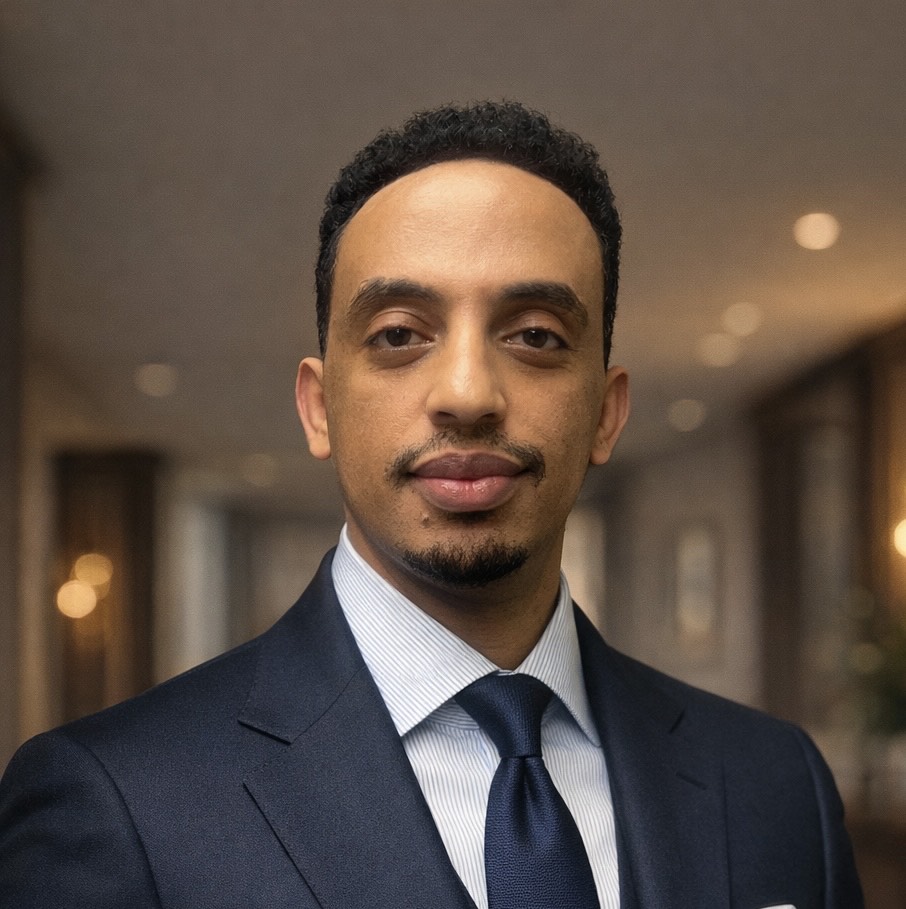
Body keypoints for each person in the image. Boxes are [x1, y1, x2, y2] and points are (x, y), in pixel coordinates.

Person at [0, 101, 862, 908]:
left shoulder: (775, 782)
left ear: (606, 411)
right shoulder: (115, 800)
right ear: (319, 407)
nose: (467, 394)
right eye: (399, 334)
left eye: (535, 335)